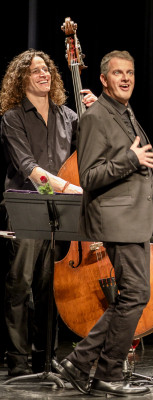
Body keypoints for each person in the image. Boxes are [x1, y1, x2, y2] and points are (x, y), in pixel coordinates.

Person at [55, 50, 153, 397]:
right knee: (135, 295)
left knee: (132, 295)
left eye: (130, 73)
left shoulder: (124, 113)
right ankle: (103, 370)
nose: (125, 78)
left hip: (133, 220)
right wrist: (130, 160)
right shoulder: (95, 117)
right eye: (118, 73)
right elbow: (89, 175)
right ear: (103, 80)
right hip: (115, 220)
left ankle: (83, 365)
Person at [0, 49, 96, 376]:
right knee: (19, 286)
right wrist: (67, 189)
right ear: (21, 79)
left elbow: (97, 149)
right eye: (35, 71)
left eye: (47, 70)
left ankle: (45, 359)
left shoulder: (69, 116)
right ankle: (16, 362)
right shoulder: (13, 118)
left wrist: (101, 112)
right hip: (27, 208)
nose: (44, 74)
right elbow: (28, 168)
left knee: (49, 288)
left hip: (61, 212)